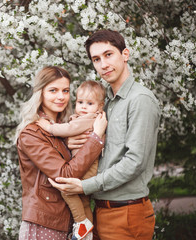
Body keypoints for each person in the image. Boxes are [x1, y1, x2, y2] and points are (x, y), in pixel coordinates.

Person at [48, 29, 161, 240]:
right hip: (100, 210)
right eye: (96, 59)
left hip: (126, 212)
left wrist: (85, 186)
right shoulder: (104, 103)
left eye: (108, 54)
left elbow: (134, 162)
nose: (103, 64)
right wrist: (73, 140)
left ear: (125, 54)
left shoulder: (140, 100)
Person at [15, 66, 107, 240]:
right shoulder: (32, 133)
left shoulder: (68, 129)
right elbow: (65, 174)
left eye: (65, 90)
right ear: (40, 93)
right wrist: (96, 138)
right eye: (53, 90)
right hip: (44, 224)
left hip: (67, 224)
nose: (61, 96)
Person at [36, 80, 106, 240]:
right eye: (80, 102)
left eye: (89, 103)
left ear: (100, 106)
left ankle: (81, 222)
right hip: (88, 168)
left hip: (87, 169)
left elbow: (68, 129)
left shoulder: (89, 119)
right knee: (84, 201)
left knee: (66, 189)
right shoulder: (84, 117)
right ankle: (88, 232)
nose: (83, 106)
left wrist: (48, 127)